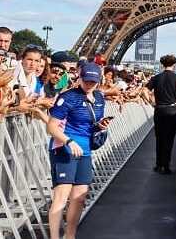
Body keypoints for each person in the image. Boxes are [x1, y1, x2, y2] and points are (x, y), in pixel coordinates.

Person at [46, 62, 109, 239]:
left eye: (93, 81)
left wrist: (100, 126)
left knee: (79, 198)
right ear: (79, 78)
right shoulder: (67, 97)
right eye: (86, 80)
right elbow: (51, 127)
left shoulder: (99, 98)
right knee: (61, 196)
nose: (89, 84)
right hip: (64, 149)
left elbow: (91, 124)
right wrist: (69, 141)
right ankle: (54, 237)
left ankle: (70, 235)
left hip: (85, 151)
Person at [145, 54, 176, 175]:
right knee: (169, 139)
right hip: (172, 110)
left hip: (159, 110)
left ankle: (158, 165)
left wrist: (151, 102)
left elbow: (144, 90)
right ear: (174, 64)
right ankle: (166, 166)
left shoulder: (156, 77)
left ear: (162, 64)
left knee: (159, 138)